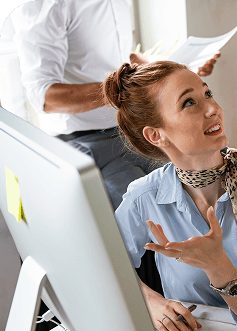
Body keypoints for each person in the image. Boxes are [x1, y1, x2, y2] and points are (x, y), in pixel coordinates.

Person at [103, 61, 237, 331]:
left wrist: (217, 265)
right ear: (156, 135)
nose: (213, 108)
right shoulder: (143, 197)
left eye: (207, 94)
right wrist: (150, 302)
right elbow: (104, 266)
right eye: (189, 103)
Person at [10, 0, 219, 210]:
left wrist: (179, 69)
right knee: (152, 216)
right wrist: (122, 88)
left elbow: (124, 58)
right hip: (86, 142)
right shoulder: (46, 5)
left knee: (200, 201)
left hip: (132, 130)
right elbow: (45, 97)